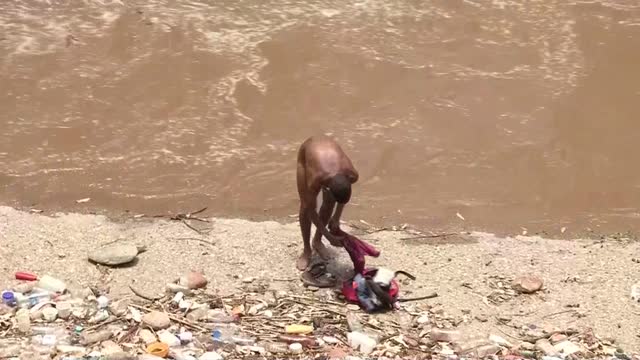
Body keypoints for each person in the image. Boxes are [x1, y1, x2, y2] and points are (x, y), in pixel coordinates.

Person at [296, 135, 359, 271]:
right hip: (309, 150)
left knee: (329, 202)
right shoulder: (316, 178)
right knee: (305, 206)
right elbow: (311, 210)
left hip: (329, 154)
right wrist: (328, 235)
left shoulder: (352, 174)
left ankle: (317, 241)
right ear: (327, 187)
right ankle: (307, 250)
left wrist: (336, 218)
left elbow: (342, 198)